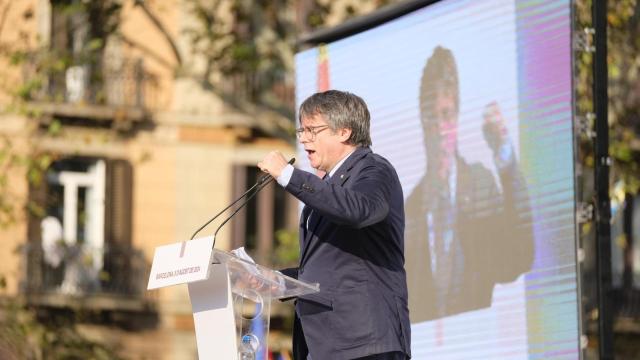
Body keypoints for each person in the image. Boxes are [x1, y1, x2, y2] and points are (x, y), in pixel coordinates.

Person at [258, 90, 411, 360]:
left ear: (344, 131)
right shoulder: (329, 186)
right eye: (301, 130)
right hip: (327, 345)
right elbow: (331, 266)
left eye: (312, 130)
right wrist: (278, 280)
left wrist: (288, 175)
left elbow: (360, 210)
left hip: (364, 341)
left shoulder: (374, 170)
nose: (303, 138)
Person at [404, 46, 534, 322]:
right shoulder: (410, 208)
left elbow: (518, 257)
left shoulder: (479, 184)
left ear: (457, 116)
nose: (440, 128)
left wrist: (506, 161)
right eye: (431, 117)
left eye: (447, 115)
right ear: (421, 120)